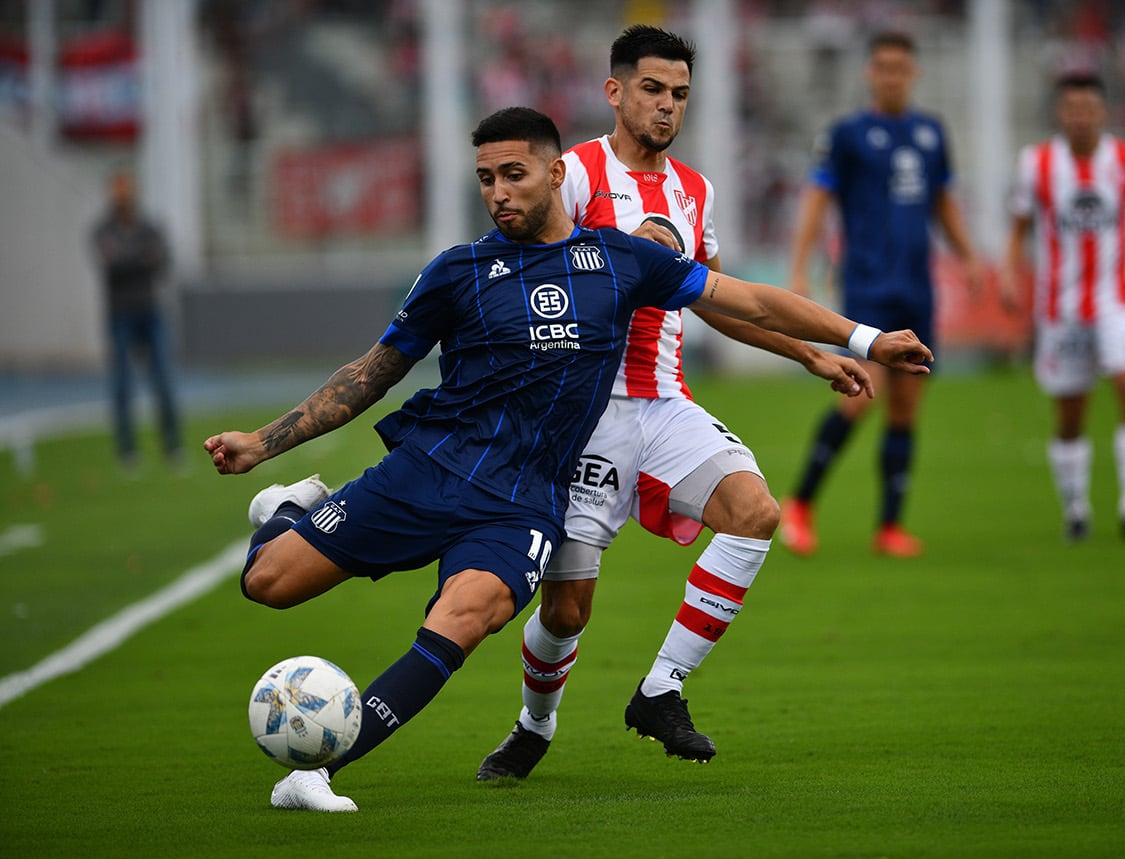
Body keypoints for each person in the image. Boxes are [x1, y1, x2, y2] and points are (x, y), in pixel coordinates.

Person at [205, 106, 932, 812]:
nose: (498, 192)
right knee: (267, 582)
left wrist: (861, 341)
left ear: (558, 174)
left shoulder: (618, 262)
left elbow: (749, 301)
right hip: (426, 470)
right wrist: (263, 443)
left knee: (471, 614)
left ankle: (321, 769)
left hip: (522, 501)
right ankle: (290, 507)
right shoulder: (457, 271)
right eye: (486, 178)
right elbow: (370, 374)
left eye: (513, 174)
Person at [476, 25, 885, 782]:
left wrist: (810, 354)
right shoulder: (575, 176)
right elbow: (519, 273)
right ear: (616, 92)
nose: (667, 108)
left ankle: (661, 689)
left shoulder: (695, 191)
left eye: (680, 95)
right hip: (584, 414)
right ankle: (535, 724)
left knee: (755, 510)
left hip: (663, 401)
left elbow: (720, 299)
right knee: (566, 612)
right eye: (654, 90)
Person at [779, 31, 981, 559]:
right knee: (859, 398)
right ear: (871, 73)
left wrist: (970, 258)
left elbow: (943, 204)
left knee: (907, 406)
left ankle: (889, 527)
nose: (892, 75)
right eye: (883, 67)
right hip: (868, 285)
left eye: (900, 67)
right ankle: (799, 504)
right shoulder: (848, 134)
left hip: (918, 286)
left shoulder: (931, 133)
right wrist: (800, 267)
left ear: (912, 73)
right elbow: (818, 198)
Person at [1002, 73, 1125, 542]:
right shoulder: (1037, 163)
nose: (1081, 117)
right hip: (1061, 308)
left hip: (1120, 302)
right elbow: (1019, 228)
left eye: (1089, 107)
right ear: (1060, 114)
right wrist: (1008, 275)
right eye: (1072, 108)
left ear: (1103, 112)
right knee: (1070, 415)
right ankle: (1076, 511)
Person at [91, 168, 182, 471]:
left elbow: (161, 260)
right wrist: (140, 259)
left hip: (150, 310)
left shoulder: (147, 227)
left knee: (163, 381)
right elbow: (114, 264)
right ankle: (127, 451)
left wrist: (133, 259)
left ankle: (172, 446)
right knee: (122, 385)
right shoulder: (103, 229)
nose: (122, 194)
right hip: (121, 314)